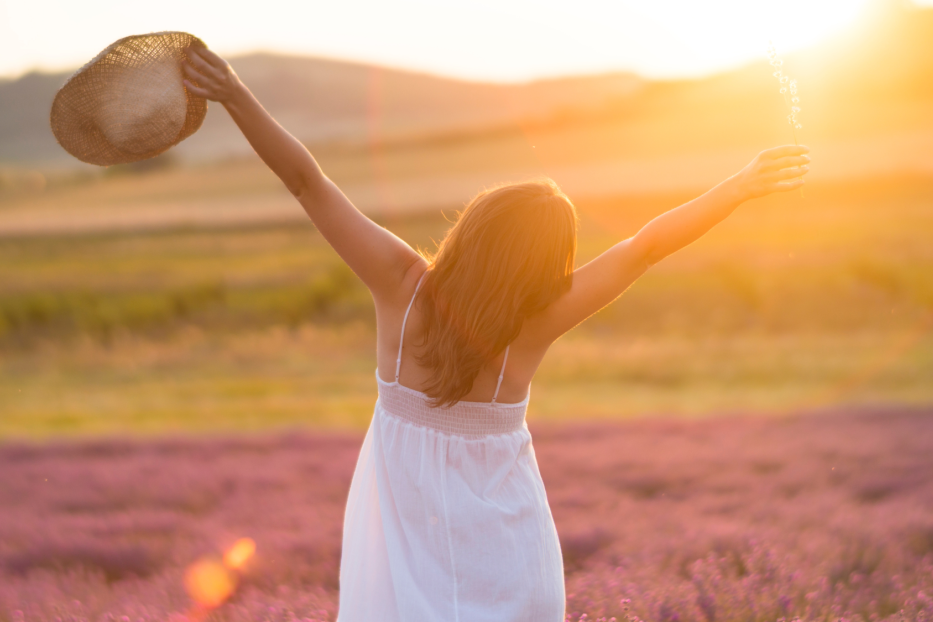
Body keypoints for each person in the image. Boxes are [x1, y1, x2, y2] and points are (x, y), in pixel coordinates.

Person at [182, 46, 809, 622]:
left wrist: (236, 94)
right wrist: (737, 188)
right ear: (543, 267)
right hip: (512, 564)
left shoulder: (401, 283)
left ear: (473, 228)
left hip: (403, 568)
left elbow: (307, 181)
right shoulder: (533, 325)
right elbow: (642, 249)